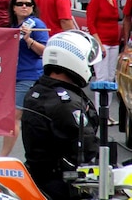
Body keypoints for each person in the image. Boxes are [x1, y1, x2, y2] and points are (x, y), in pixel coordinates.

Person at [22, 30, 101, 200]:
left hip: (40, 178)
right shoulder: (67, 104)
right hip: (65, 186)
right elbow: (88, 150)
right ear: (74, 60)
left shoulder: (37, 91)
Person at [0, 0, 47, 156]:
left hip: (29, 76)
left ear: (33, 8)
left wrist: (29, 40)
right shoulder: (13, 27)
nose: (24, 6)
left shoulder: (37, 25)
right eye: (20, 4)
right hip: (13, 76)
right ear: (13, 8)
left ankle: (3, 157)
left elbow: (45, 51)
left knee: (14, 117)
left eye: (28, 4)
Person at [86, 0, 122, 119]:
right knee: (101, 78)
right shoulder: (96, 0)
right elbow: (90, 23)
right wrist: (99, 44)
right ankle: (99, 113)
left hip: (114, 42)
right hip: (102, 42)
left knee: (110, 77)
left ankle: (105, 112)